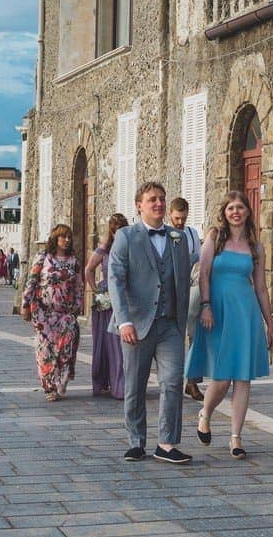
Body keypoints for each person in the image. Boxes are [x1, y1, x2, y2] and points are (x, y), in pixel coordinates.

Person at [185, 191, 273, 460]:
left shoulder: (256, 247)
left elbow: (260, 288)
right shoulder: (214, 237)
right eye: (231, 208)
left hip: (245, 312)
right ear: (224, 212)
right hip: (218, 311)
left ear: (248, 211)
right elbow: (204, 275)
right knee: (222, 377)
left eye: (240, 208)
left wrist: (269, 323)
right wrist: (206, 306)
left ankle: (236, 437)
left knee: (243, 377)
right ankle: (205, 413)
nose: (235, 212)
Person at [109, 182, 193, 464]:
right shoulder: (125, 236)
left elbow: (182, 280)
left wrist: (186, 319)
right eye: (152, 199)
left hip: (169, 324)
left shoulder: (178, 238)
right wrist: (124, 321)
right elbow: (116, 280)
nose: (158, 204)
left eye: (161, 199)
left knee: (172, 382)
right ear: (139, 205)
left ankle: (166, 443)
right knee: (135, 385)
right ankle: (136, 441)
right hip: (136, 323)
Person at [22, 224, 84, 402]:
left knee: (67, 348)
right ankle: (49, 387)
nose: (66, 240)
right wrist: (25, 304)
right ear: (55, 239)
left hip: (65, 313)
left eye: (69, 237)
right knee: (45, 351)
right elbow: (31, 281)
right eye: (63, 237)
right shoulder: (43, 258)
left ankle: (62, 380)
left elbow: (78, 287)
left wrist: (77, 306)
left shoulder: (73, 261)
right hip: (44, 312)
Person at [84, 214, 129, 400]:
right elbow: (88, 270)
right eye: (115, 228)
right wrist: (96, 290)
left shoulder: (130, 247)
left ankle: (121, 384)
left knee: (120, 345)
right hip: (106, 301)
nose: (118, 231)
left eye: (121, 227)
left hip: (123, 297)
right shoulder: (104, 249)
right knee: (106, 344)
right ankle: (106, 382)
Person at [169, 197, 204, 402]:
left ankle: (192, 381)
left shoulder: (192, 234)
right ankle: (173, 379)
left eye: (183, 218)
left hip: (190, 288)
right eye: (176, 218)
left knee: (193, 334)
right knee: (171, 337)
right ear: (170, 215)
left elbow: (199, 259)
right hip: (171, 291)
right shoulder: (165, 234)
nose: (180, 222)